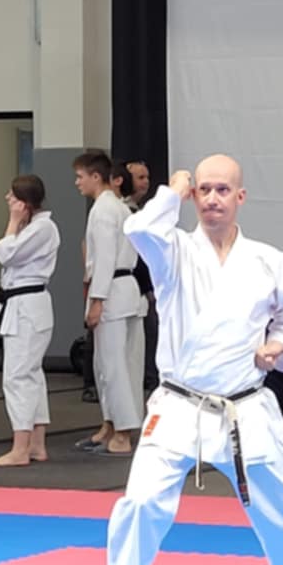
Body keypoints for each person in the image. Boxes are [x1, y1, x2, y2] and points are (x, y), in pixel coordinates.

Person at [92, 158, 283, 565]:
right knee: (141, 501)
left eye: (223, 190)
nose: (212, 198)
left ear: (240, 197)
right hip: (179, 404)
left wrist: (280, 345)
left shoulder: (267, 260)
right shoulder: (172, 250)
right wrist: (172, 191)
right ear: (193, 196)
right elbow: (139, 228)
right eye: (205, 189)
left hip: (244, 403)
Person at [76, 151, 147, 456]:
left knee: (112, 365)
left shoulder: (104, 210)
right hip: (127, 289)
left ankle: (122, 433)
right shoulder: (119, 207)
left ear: (96, 177)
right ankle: (114, 425)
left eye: (80, 176)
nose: (77, 182)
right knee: (125, 363)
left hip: (112, 292)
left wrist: (97, 301)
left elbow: (104, 259)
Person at [0, 174, 59, 467]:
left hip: (27, 306)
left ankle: (20, 448)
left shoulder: (43, 228)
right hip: (22, 305)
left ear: (25, 202)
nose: (8, 199)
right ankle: (36, 444)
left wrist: (12, 221)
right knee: (31, 374)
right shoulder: (34, 227)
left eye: (13, 195)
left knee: (17, 376)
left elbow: (6, 254)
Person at [123, 155, 162, 391]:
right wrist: (147, 287)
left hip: (142, 284)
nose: (145, 182)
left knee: (148, 331)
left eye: (147, 177)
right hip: (132, 283)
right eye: (140, 177)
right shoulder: (125, 212)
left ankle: (147, 375)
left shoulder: (139, 210)